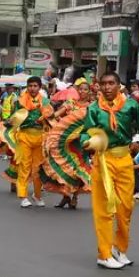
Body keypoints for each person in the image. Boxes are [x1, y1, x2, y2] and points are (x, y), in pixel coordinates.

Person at [81, 72, 139, 269]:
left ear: (119, 86)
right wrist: (87, 142)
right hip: (103, 160)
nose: (107, 87)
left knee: (126, 207)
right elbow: (85, 133)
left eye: (111, 83)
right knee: (104, 208)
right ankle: (104, 253)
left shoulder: (130, 106)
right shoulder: (93, 109)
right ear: (99, 87)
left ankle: (120, 248)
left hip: (125, 159)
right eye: (104, 84)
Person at [47, 79, 94, 210]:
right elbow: (57, 114)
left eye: (85, 89)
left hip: (81, 141)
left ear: (89, 92)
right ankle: (66, 196)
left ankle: (74, 197)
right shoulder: (70, 103)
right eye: (80, 89)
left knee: (78, 170)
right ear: (77, 91)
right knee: (66, 168)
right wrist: (52, 117)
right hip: (66, 142)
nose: (82, 91)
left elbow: (95, 122)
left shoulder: (92, 107)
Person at [10, 76, 53, 208]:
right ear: (27, 87)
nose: (32, 88)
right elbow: (14, 118)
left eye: (35, 86)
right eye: (30, 86)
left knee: (38, 169)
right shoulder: (20, 101)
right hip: (25, 136)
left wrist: (45, 118)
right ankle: (23, 196)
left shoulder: (45, 101)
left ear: (40, 87)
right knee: (25, 166)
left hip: (40, 137)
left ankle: (37, 195)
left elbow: (51, 117)